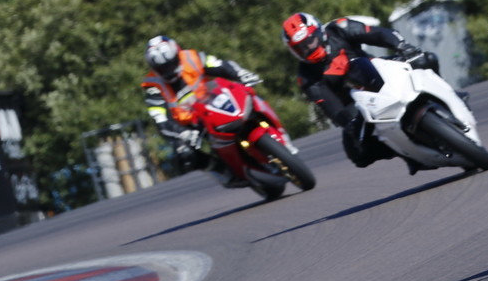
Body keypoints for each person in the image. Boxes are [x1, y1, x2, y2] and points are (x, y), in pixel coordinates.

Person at [280, 12, 438, 169]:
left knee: (427, 59)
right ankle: (406, 153)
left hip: (380, 70)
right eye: (301, 47)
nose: (308, 47)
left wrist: (402, 46)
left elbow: (377, 33)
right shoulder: (306, 76)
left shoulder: (339, 28)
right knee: (358, 152)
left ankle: (442, 102)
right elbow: (330, 106)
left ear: (318, 31)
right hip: (358, 104)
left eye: (310, 40)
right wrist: (349, 123)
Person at [139, 34, 267, 187]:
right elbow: (160, 120)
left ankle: (274, 131)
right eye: (162, 68)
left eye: (171, 63)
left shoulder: (192, 57)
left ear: (177, 54)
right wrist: (182, 133)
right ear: (154, 68)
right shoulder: (152, 85)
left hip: (214, 102)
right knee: (184, 154)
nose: (168, 70)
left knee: (251, 98)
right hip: (191, 125)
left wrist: (240, 74)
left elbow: (221, 65)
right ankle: (223, 171)